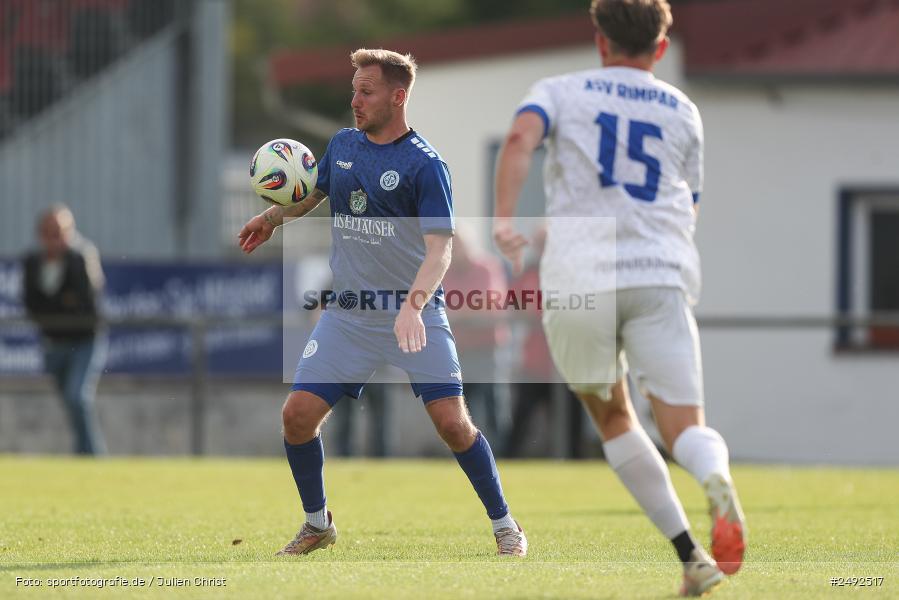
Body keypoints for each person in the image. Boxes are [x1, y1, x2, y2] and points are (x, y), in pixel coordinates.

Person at [493, 0, 745, 595]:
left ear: (600, 40)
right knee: (684, 427)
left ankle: (692, 556)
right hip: (659, 272)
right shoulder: (684, 110)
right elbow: (690, 207)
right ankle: (714, 475)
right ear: (661, 48)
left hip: (580, 276)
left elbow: (519, 137)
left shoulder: (559, 89)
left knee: (612, 417)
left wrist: (505, 218)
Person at [238, 48, 527, 557]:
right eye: (354, 90)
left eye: (366, 92)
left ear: (397, 96)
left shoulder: (426, 166)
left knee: (454, 425)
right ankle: (317, 523)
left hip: (413, 312)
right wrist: (274, 217)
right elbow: (317, 191)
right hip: (349, 313)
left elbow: (441, 250)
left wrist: (414, 306)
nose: (355, 100)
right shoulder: (344, 145)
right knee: (297, 416)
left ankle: (506, 525)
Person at [23, 204, 107, 455]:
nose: (54, 237)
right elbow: (32, 303)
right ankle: (83, 454)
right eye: (49, 231)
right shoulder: (33, 262)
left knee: (77, 397)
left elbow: (85, 300)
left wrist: (55, 307)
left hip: (84, 341)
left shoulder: (80, 257)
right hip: (54, 343)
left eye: (59, 231)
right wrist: (61, 304)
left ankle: (93, 456)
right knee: (71, 403)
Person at [441, 226, 510, 448]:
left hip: (484, 351)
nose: (454, 250)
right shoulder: (443, 270)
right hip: (455, 353)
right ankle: (465, 454)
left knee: (492, 407)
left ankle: (499, 453)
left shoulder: (487, 267)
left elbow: (491, 307)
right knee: (458, 410)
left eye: (458, 244)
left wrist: (457, 313)